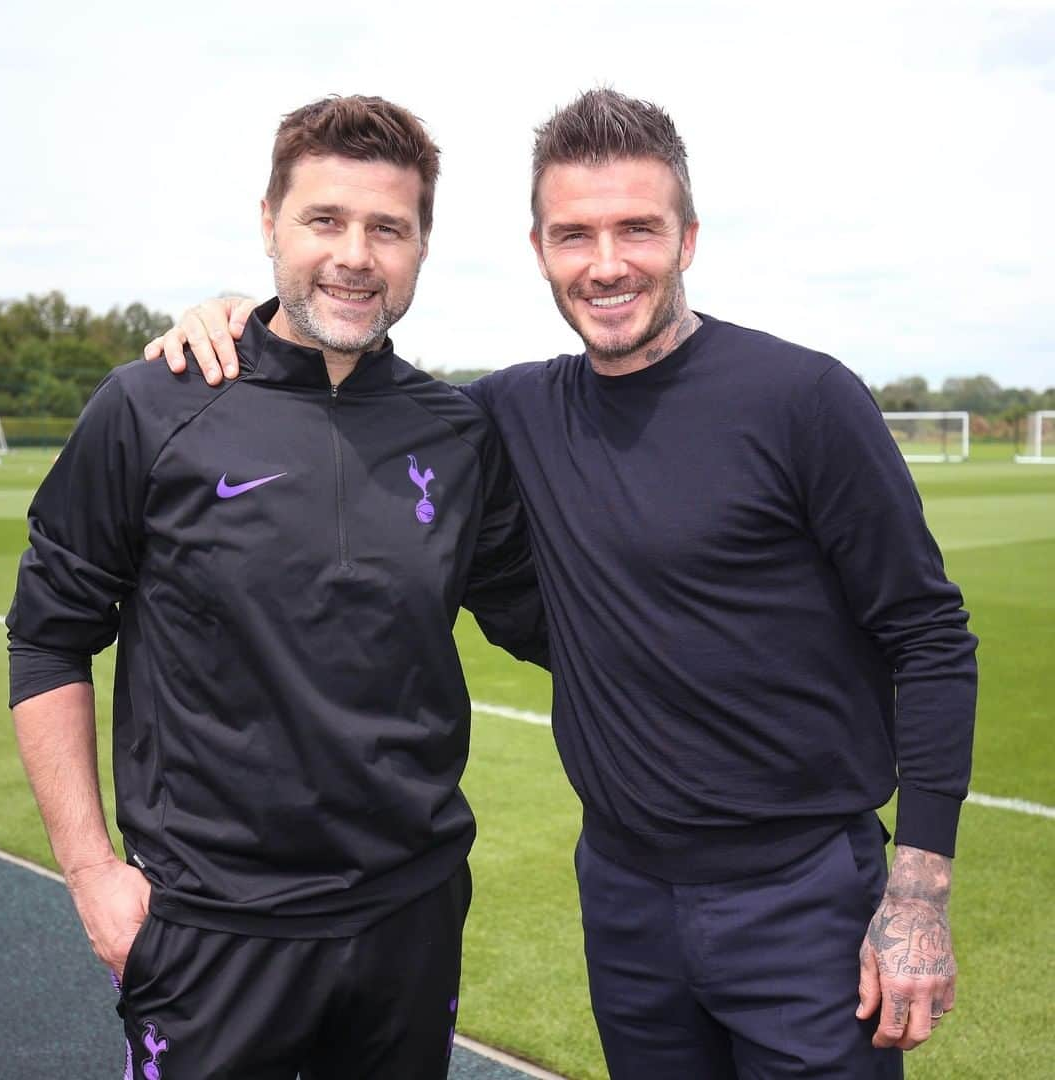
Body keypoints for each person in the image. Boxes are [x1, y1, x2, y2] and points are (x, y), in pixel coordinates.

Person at [148, 89, 978, 1079]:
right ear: (539, 246)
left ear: (689, 239)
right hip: (625, 902)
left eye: (639, 228)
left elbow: (928, 635)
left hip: (802, 897)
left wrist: (919, 896)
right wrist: (243, 317)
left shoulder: (803, 400)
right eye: (575, 234)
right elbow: (355, 380)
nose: (608, 263)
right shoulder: (505, 413)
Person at [7, 94, 547, 1080]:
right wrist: (89, 872)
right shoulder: (153, 404)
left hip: (409, 920)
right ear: (269, 224)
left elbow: (557, 621)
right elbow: (48, 636)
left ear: (422, 246)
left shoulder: (459, 435)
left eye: (388, 228)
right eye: (325, 220)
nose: (355, 254)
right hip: (210, 930)